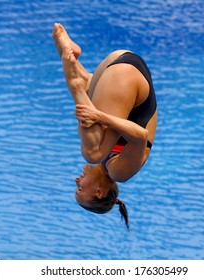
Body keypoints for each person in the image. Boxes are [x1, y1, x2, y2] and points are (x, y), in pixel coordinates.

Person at [52, 23, 157, 230]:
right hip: (127, 75)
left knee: (96, 143)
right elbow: (140, 135)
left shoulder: (107, 159)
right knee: (93, 152)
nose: (76, 180)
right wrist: (99, 116)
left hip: (116, 65)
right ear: (99, 192)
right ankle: (76, 86)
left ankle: (79, 72)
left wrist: (98, 116)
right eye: (80, 189)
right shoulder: (120, 172)